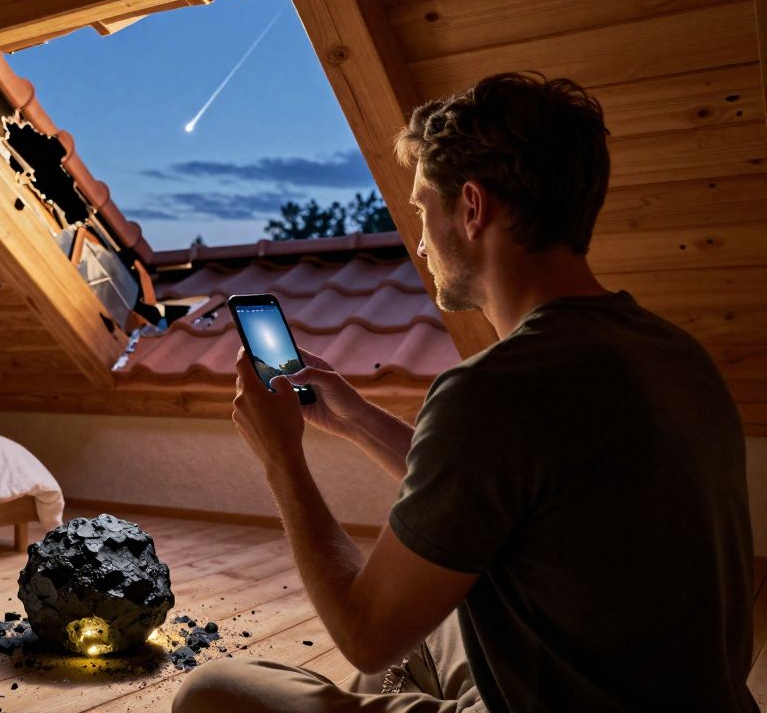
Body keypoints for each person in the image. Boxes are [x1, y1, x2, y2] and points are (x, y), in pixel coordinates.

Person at [172, 72, 757, 712]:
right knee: (430, 629)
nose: (420, 242)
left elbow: (363, 633)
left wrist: (281, 459)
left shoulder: (494, 389)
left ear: (472, 208)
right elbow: (508, 490)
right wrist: (360, 419)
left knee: (213, 692)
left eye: (424, 209)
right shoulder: (673, 352)